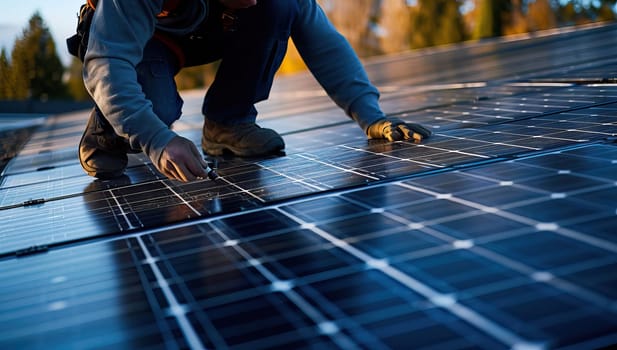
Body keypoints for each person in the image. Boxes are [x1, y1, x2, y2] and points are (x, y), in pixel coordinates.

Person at [76, 0, 432, 183]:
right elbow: (107, 62)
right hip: (145, 37)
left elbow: (325, 44)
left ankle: (228, 123)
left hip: (206, 24)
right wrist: (156, 139)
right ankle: (104, 134)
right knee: (157, 111)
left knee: (279, 8)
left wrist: (371, 116)